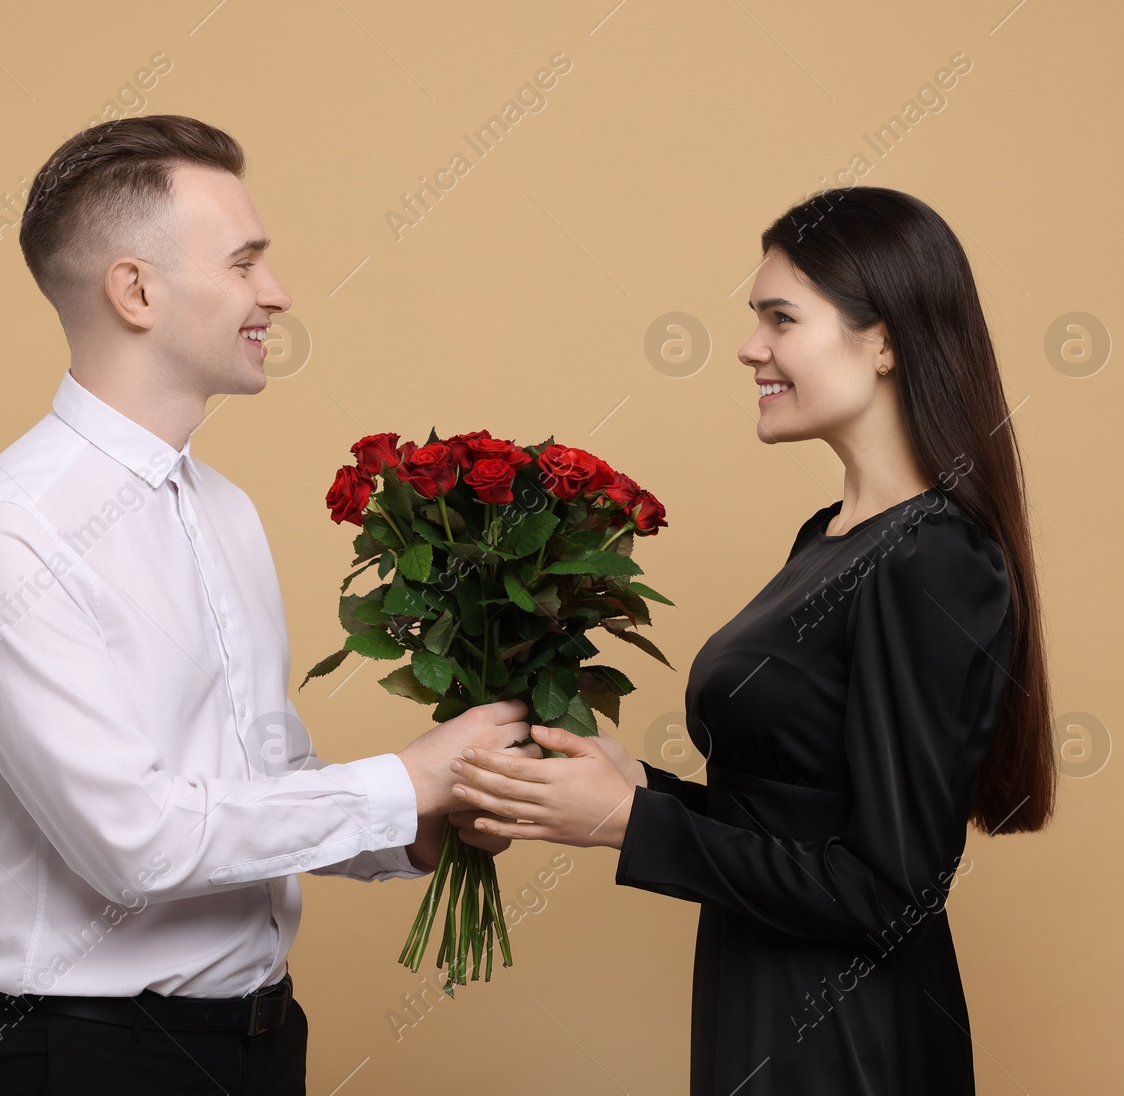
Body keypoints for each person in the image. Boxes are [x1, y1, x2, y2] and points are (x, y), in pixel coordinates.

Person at [0, 114, 536, 1094]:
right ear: (136, 289)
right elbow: (137, 846)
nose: (276, 293)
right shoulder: (8, 529)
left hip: (256, 1044)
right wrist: (404, 781)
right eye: (245, 261)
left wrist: (424, 824)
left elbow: (262, 775)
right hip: (79, 1062)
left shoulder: (227, 512)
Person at [448, 186, 1058, 1095]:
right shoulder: (831, 536)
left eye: (781, 317)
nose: (749, 347)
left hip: (850, 1041)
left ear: (884, 339)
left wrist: (629, 824)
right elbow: (792, 816)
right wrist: (630, 785)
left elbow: (889, 892)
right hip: (765, 1006)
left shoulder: (933, 557)